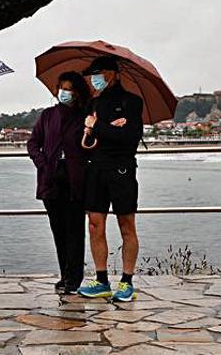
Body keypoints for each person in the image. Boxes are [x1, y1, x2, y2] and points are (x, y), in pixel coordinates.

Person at [78, 56, 143, 302]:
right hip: (95, 169)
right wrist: (93, 128)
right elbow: (86, 141)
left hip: (122, 169)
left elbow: (129, 137)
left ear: (113, 73)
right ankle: (101, 279)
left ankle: (127, 281)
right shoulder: (92, 103)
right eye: (91, 74)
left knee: (126, 225)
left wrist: (100, 127)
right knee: (95, 224)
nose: (94, 79)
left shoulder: (132, 102)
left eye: (98, 73)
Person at [27, 71, 91, 294]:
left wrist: (91, 129)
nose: (66, 93)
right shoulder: (47, 115)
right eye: (63, 88)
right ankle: (65, 274)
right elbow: (33, 143)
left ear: (77, 93)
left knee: (75, 229)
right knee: (58, 230)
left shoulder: (85, 115)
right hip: (50, 179)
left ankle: (75, 277)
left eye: (71, 89)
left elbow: (90, 145)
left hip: (75, 179)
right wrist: (43, 164)